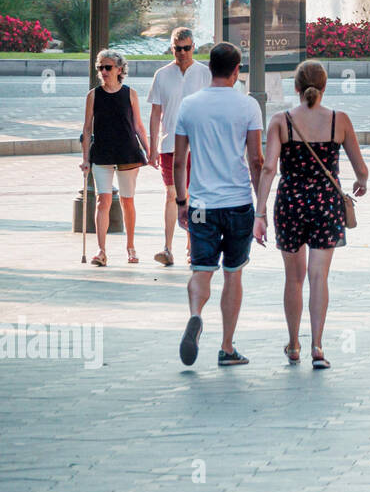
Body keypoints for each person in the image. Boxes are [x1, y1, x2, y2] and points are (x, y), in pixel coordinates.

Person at [254, 61, 368, 369]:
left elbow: (268, 168)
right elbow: (361, 169)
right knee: (319, 277)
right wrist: (361, 183)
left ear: (296, 86)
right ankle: (318, 346)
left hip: (290, 202)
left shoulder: (281, 120)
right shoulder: (338, 120)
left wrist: (259, 213)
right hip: (326, 204)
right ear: (324, 85)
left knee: (294, 279)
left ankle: (293, 344)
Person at [173, 41, 264, 368]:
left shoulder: (189, 105)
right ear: (237, 71)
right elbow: (256, 160)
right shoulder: (248, 106)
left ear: (209, 68)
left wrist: (182, 201)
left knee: (201, 269)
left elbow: (180, 162)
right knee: (233, 273)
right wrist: (261, 208)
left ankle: (196, 314)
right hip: (238, 202)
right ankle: (226, 347)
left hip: (200, 204)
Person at [147, 27, 212, 266]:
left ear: (193, 47)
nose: (182, 53)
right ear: (171, 48)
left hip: (198, 146)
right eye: (177, 48)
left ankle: (194, 244)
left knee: (197, 195)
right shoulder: (162, 74)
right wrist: (152, 147)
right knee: (172, 194)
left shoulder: (205, 74)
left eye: (186, 48)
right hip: (170, 144)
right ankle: (167, 247)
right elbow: (156, 113)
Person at [79, 50, 150, 266]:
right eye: (100, 67)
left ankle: (131, 247)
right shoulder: (93, 95)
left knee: (128, 201)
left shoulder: (130, 93)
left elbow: (138, 125)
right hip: (102, 152)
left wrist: (149, 150)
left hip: (127, 151)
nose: (104, 72)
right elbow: (87, 128)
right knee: (103, 200)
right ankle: (101, 250)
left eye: (108, 67)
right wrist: (85, 158)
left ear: (119, 69)